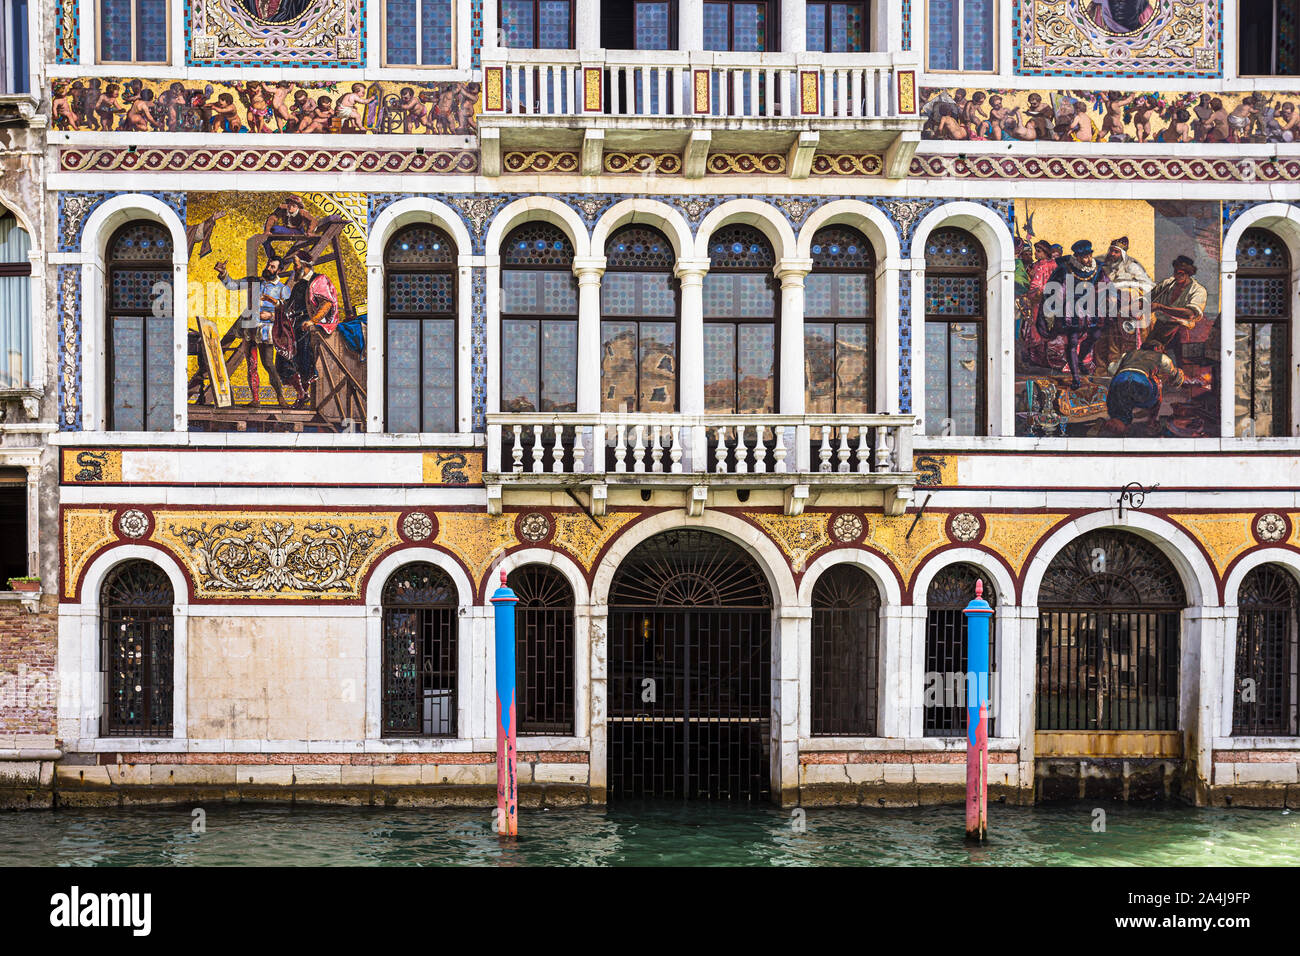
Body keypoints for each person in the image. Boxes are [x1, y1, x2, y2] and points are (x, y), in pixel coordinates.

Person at [215, 258, 292, 407]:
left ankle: (280, 397)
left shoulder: (283, 289)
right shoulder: (254, 281)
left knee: (268, 364)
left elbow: (288, 313)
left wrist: (271, 316)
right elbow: (232, 285)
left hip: (266, 331)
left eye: (272, 267)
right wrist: (223, 272)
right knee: (251, 365)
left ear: (279, 270)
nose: (268, 268)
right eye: (268, 265)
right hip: (249, 329)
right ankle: (255, 399)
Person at [1041, 239, 1111, 388]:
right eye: (1084, 257)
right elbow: (1053, 287)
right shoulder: (1065, 268)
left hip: (1092, 307)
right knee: (1072, 341)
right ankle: (1075, 377)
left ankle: (1079, 361)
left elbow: (1107, 284)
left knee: (1095, 336)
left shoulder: (1097, 267)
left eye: (1089, 255)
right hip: (1071, 308)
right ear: (1077, 257)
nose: (1088, 259)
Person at [1100, 341, 1208, 436]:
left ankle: (1118, 422)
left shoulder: (1128, 355)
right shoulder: (1160, 356)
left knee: (1120, 399)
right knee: (1157, 385)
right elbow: (1173, 374)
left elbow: (1112, 369)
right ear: (1157, 349)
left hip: (1119, 380)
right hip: (1140, 381)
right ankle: (1151, 421)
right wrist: (1180, 378)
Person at [276, 255, 340, 409]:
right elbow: (289, 305)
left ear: (305, 265)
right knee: (282, 361)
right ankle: (302, 394)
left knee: (304, 362)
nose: (294, 267)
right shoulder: (299, 285)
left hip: (307, 326)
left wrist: (313, 321)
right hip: (294, 326)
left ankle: (303, 396)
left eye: (296, 264)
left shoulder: (319, 280)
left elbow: (327, 304)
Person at [1093, 236, 1153, 369]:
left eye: (1116, 252)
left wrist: (1127, 289)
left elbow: (1148, 285)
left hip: (1128, 309)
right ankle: (1105, 366)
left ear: (1123, 253)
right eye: (1111, 251)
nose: (1112, 254)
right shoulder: (1106, 267)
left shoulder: (1132, 267)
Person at [1145, 255, 1208, 365]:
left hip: (1180, 331)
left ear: (1188, 273)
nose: (1176, 276)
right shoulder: (1167, 284)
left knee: (1172, 363)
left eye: (1181, 273)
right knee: (1147, 356)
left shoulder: (1198, 290)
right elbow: (1147, 298)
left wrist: (1160, 307)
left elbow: (1189, 314)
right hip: (1159, 327)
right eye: (1175, 272)